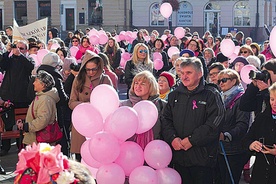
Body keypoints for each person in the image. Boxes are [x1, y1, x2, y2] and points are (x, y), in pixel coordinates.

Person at [161, 57, 225, 184]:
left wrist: (192, 140)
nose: (184, 76)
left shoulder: (212, 94)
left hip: (202, 160)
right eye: (182, 73)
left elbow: (215, 123)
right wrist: (172, 138)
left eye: (188, 73)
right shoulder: (174, 95)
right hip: (178, 157)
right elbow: (165, 119)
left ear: (200, 73)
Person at [68, 50, 112, 161]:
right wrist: (85, 106)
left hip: (100, 124)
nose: (91, 72)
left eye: (94, 69)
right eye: (88, 69)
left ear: (99, 67)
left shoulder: (105, 79)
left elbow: (112, 101)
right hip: (82, 122)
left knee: (98, 155)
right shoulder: (78, 79)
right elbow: (71, 102)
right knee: (80, 155)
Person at [0, 40, 34, 156]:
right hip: (8, 96)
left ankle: (22, 146)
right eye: (17, 47)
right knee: (7, 124)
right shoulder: (10, 60)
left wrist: (21, 56)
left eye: (22, 48)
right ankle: (5, 147)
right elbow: (2, 65)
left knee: (22, 124)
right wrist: (7, 51)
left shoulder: (28, 59)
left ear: (26, 50)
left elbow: (30, 67)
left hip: (22, 97)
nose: (18, 49)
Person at [217, 69, 250, 184]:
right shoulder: (219, 97)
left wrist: (227, 135)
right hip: (219, 149)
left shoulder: (241, 98)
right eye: (219, 81)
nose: (221, 83)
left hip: (234, 150)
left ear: (234, 81)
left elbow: (243, 124)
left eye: (224, 80)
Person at [120, 70, 166, 149]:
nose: (138, 86)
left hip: (155, 150)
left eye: (143, 84)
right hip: (130, 151)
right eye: (136, 83)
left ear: (151, 87)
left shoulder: (162, 105)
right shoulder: (124, 105)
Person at [242, 82, 276, 184]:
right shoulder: (262, 118)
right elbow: (246, 140)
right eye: (272, 99)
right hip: (260, 172)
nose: (274, 103)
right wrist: (251, 144)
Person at [16, 70, 59, 145]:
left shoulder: (45, 99)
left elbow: (43, 120)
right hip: (37, 139)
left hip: (39, 140)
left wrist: (27, 126)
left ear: (43, 85)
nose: (33, 83)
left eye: (36, 81)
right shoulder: (42, 97)